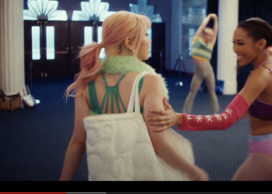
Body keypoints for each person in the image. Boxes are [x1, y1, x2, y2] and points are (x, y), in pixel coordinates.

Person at [60, 11, 208, 181]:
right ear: (129, 42)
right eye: (146, 34)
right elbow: (158, 142)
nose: (149, 40)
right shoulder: (150, 81)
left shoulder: (87, 83)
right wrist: (193, 172)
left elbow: (77, 142)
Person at [147, 17, 272, 181]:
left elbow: (226, 120)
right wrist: (259, 109)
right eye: (233, 43)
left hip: (268, 156)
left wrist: (180, 118)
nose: (234, 49)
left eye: (240, 43)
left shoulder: (259, 76)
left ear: (261, 44)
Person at [182, 13, 219, 114]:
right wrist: (208, 17)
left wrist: (216, 20)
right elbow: (202, 27)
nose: (211, 37)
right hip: (198, 73)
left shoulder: (211, 44)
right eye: (209, 35)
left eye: (212, 36)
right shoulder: (197, 40)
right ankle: (186, 113)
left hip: (208, 71)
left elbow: (215, 33)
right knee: (192, 93)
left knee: (212, 93)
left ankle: (215, 113)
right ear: (204, 34)